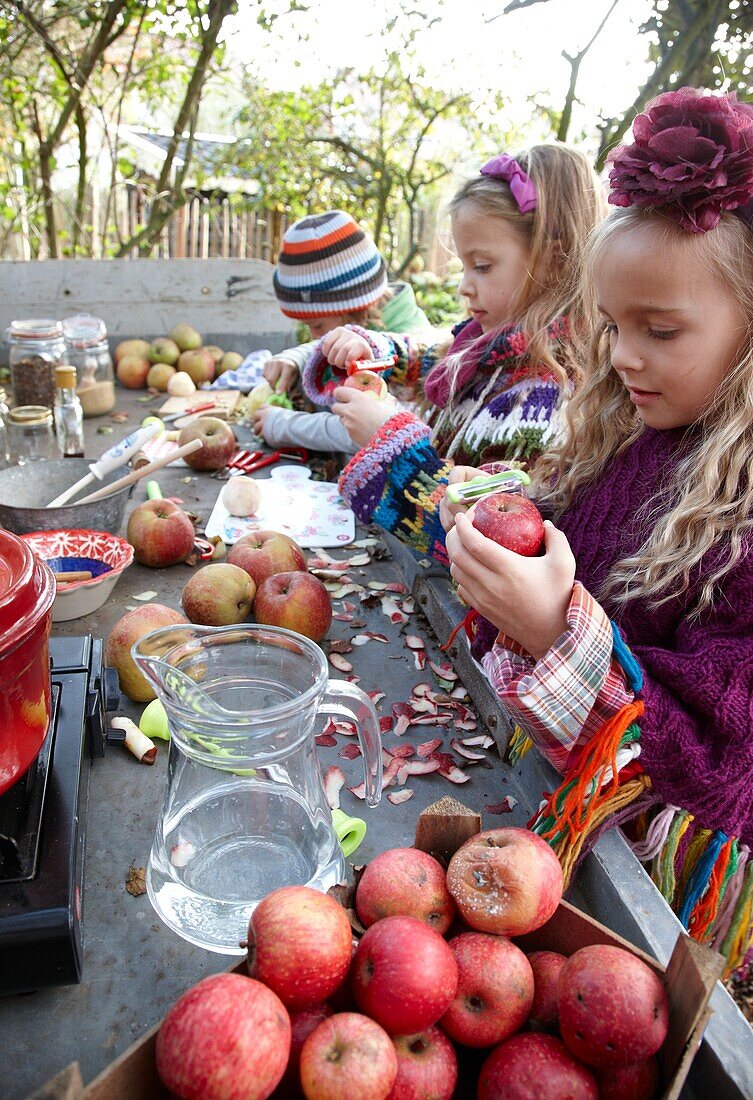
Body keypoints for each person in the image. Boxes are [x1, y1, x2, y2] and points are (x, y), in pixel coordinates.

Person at [444, 88, 753, 977]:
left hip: (658, 907)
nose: (619, 356)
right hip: (552, 821)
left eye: (658, 330)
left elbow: (709, 753)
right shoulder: (629, 433)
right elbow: (578, 549)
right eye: (614, 325)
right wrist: (503, 529)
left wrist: (554, 634)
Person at [327, 144, 603, 603]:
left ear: (554, 262)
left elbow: (484, 537)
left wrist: (390, 444)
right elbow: (443, 362)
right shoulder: (495, 346)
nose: (462, 285)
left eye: (482, 266)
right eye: (462, 266)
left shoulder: (548, 400)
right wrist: (381, 351)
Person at [254, 210, 434, 451]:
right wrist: (296, 358)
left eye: (318, 325)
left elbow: (359, 431)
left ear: (354, 306)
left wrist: (284, 425)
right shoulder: (371, 322)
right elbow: (336, 342)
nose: (316, 337)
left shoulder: (409, 356)